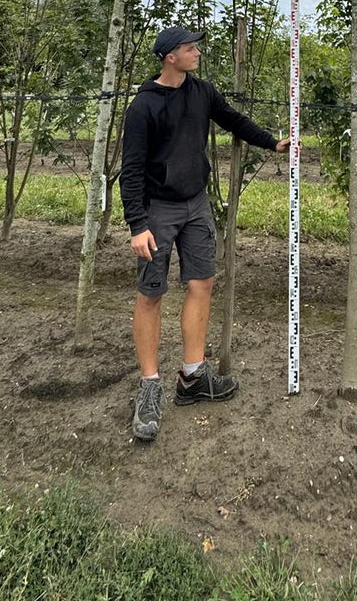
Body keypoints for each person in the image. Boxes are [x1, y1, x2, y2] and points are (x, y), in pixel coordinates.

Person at [120, 25, 290, 441]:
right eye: (188, 48)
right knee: (151, 293)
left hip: (196, 204)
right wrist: (138, 225)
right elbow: (132, 169)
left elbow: (232, 119)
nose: (196, 52)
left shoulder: (202, 91)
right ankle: (149, 386)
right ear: (169, 57)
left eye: (195, 46)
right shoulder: (143, 107)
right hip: (157, 211)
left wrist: (272, 143)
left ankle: (193, 377)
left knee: (202, 282)